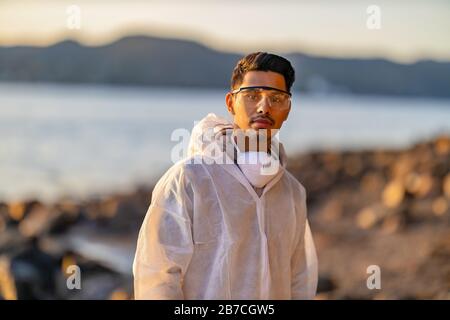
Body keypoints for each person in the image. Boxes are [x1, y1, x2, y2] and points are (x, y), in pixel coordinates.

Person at [133, 52, 318, 299]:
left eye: (276, 98)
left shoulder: (293, 193)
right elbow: (156, 277)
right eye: (252, 96)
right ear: (231, 103)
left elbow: (299, 279)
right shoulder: (189, 179)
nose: (264, 107)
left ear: (287, 108)